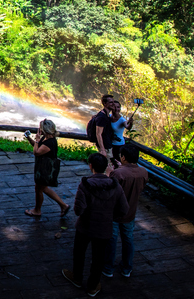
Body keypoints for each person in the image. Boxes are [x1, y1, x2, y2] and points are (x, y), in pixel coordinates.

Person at [62, 153, 129, 297]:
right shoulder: (115, 186)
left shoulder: (85, 184)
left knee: (79, 253)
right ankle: (93, 286)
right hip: (104, 227)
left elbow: (78, 209)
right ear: (105, 167)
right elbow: (124, 209)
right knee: (99, 258)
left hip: (85, 226)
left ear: (90, 166)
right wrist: (109, 217)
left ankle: (77, 278)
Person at [103, 143, 148, 279]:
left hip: (115, 213)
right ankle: (127, 268)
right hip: (131, 212)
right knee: (128, 240)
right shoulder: (143, 172)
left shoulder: (118, 174)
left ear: (123, 157)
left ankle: (108, 268)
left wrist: (109, 174)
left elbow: (109, 191)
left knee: (112, 240)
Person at [24, 119, 70, 218]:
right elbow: (37, 147)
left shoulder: (50, 142)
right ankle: (63, 205)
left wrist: (36, 139)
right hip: (43, 167)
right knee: (41, 188)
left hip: (46, 169)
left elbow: (36, 152)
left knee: (40, 188)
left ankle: (37, 210)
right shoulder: (45, 138)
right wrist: (29, 138)